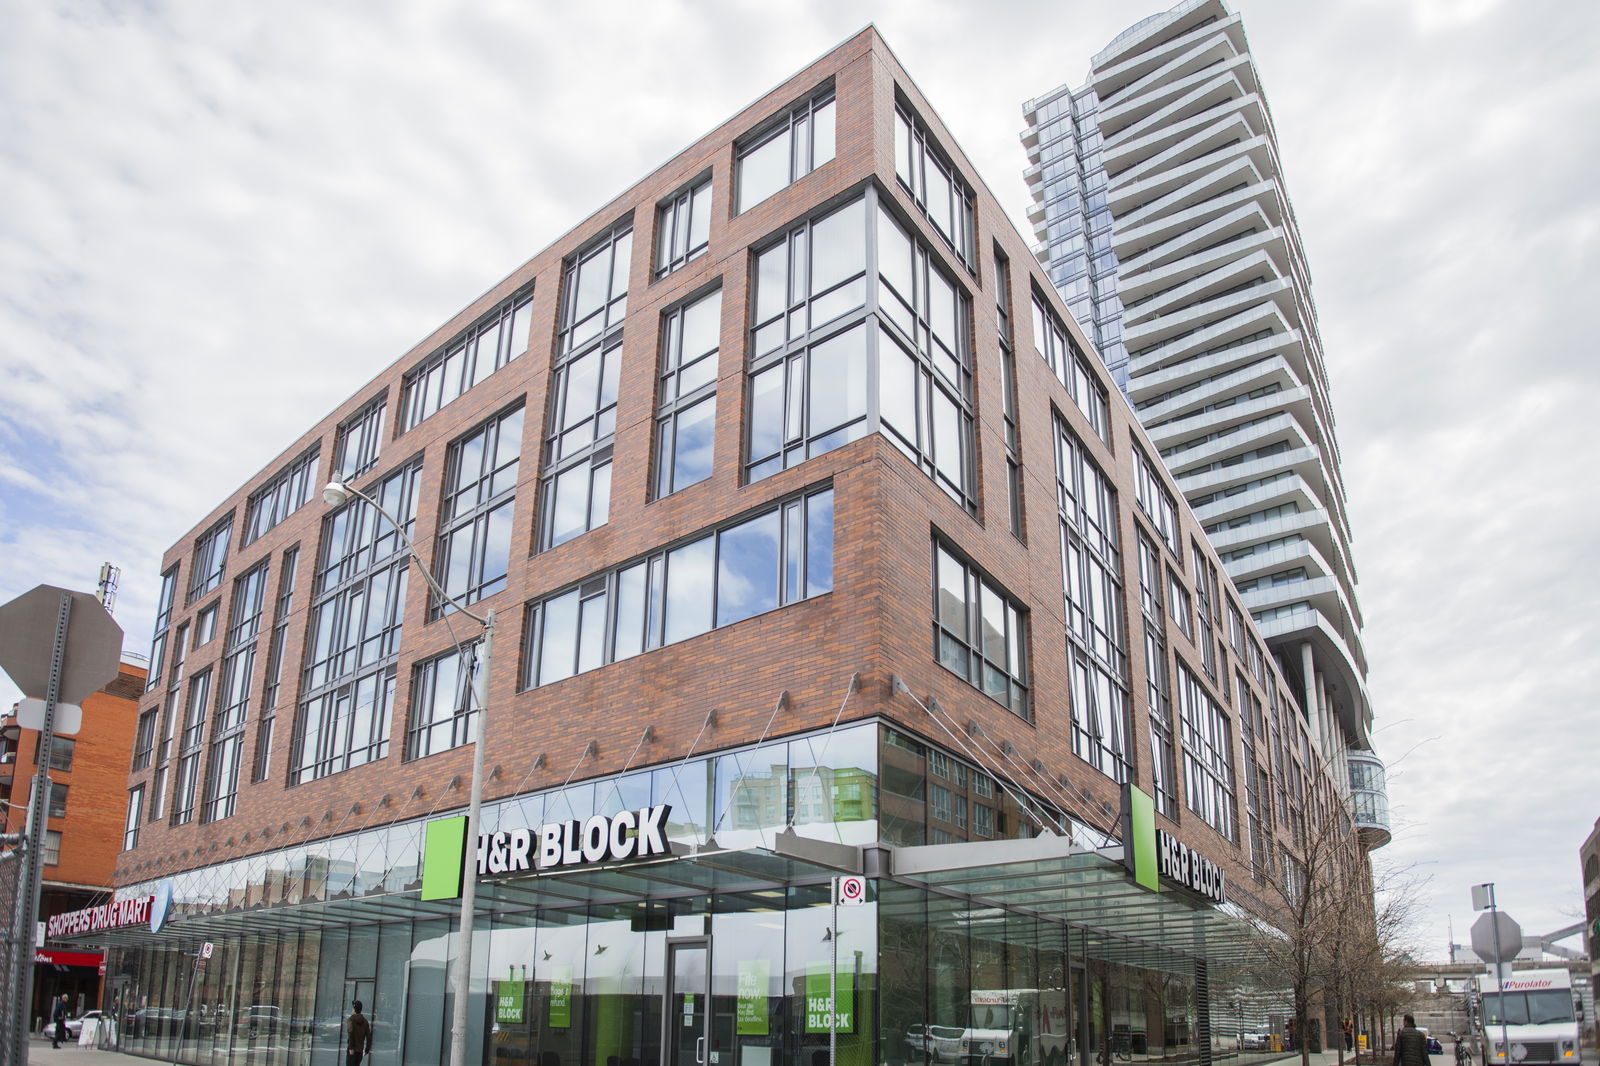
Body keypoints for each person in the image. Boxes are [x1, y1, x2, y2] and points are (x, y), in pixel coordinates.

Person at [346, 1000, 372, 1066]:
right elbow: (369, 1036)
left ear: (354, 1009)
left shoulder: (351, 1019)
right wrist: (367, 1049)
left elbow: (350, 1033)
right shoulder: (365, 1021)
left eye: (353, 1008)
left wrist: (351, 1048)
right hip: (360, 1052)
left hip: (352, 1051)